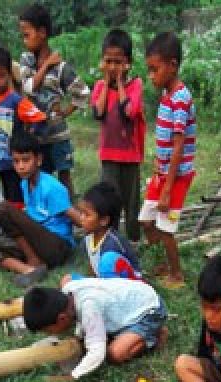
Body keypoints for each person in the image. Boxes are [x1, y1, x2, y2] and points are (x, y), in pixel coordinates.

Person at [22, 280, 167, 379]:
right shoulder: (68, 291)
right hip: (133, 300)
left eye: (49, 331)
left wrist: (73, 375)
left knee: (114, 354)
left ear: (62, 319)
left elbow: (97, 353)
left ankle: (154, 336)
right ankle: (127, 334)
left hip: (149, 310)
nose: (51, 334)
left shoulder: (89, 306)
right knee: (94, 338)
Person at [140, 32, 194, 289]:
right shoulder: (166, 94)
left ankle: (177, 274)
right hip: (162, 172)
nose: (151, 76)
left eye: (155, 69)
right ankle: (163, 261)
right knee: (146, 221)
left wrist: (168, 188)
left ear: (172, 65)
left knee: (166, 228)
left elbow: (179, 144)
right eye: (149, 70)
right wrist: (157, 164)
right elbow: (164, 139)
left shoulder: (181, 99)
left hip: (177, 176)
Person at [17, 3, 89, 194]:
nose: (24, 40)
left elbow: (82, 92)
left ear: (42, 32)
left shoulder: (62, 68)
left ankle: (69, 213)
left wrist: (65, 112)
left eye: (27, 34)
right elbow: (29, 87)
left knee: (64, 175)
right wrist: (47, 64)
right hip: (36, 134)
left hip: (58, 134)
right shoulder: (27, 61)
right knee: (41, 176)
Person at [0, 132, 79, 287]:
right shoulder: (25, 184)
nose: (20, 166)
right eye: (16, 161)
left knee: (4, 209)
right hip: (38, 242)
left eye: (26, 160)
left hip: (57, 245)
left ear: (38, 160)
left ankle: (33, 261)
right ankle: (29, 269)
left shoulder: (51, 187)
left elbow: (77, 218)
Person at [90, 28, 145, 242]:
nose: (113, 67)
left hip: (130, 156)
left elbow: (128, 112)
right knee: (109, 201)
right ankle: (110, 239)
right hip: (109, 156)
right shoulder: (98, 87)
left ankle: (133, 241)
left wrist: (120, 83)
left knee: (132, 203)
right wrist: (106, 84)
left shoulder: (135, 85)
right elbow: (98, 113)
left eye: (118, 62)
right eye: (108, 61)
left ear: (128, 63)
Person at [0, 45, 48, 205]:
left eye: (1, 75)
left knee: (18, 198)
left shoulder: (15, 100)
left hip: (16, 161)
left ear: (9, 74)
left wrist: (27, 140)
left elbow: (40, 118)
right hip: (0, 159)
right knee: (8, 195)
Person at [74, 181, 141, 281]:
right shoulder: (87, 240)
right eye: (81, 212)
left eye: (87, 215)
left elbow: (115, 274)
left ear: (104, 220)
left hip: (128, 284)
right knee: (69, 279)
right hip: (105, 281)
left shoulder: (112, 242)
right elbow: (92, 268)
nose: (81, 217)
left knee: (107, 261)